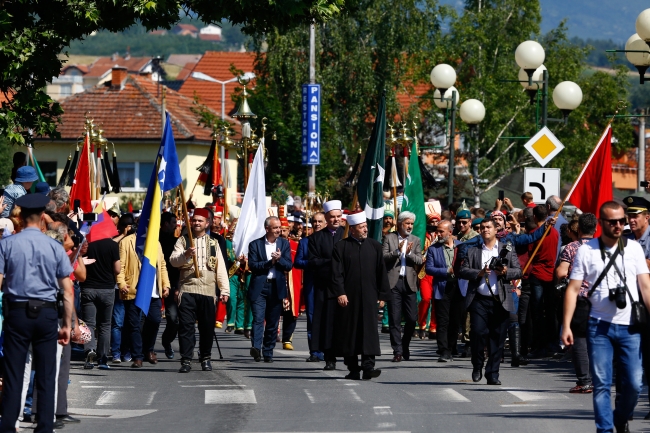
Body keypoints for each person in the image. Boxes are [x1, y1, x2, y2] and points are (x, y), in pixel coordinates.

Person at [562, 201, 650, 433]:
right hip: (599, 327)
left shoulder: (634, 249)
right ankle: (605, 429)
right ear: (601, 223)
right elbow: (572, 289)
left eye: (622, 221)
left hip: (630, 327)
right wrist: (566, 325)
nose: (620, 225)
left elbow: (646, 287)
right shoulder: (586, 250)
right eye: (613, 222)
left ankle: (620, 418)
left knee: (634, 384)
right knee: (601, 384)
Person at [0, 194, 74, 433]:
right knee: (45, 374)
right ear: (43, 217)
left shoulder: (7, 244)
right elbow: (68, 290)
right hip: (46, 314)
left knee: (14, 373)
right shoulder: (54, 246)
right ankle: (44, 427)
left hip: (17, 313)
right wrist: (66, 324)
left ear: (20, 217)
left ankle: (8, 426)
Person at [459, 219, 522, 385]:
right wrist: (479, 273)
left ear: (496, 230)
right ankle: (477, 365)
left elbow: (518, 271)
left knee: (498, 337)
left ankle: (492, 373)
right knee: (478, 333)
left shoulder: (506, 250)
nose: (485, 230)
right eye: (482, 228)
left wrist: (505, 271)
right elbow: (463, 270)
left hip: (500, 300)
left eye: (488, 227)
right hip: (479, 299)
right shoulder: (473, 251)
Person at [330, 212, 390, 380]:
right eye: (362, 227)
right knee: (350, 333)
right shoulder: (341, 247)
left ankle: (368, 367)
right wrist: (340, 292)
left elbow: (381, 273)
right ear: (353, 229)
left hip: (370, 297)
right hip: (349, 298)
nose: (365, 229)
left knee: (369, 332)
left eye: (366, 226)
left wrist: (383, 296)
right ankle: (353, 368)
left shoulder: (375, 246)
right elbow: (336, 274)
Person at [170, 208, 230, 373]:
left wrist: (224, 290)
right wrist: (186, 255)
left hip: (208, 291)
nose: (196, 223)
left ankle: (205, 357)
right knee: (186, 327)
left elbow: (221, 269)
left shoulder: (214, 243)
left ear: (207, 223)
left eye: (200, 221)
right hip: (188, 289)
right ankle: (186, 359)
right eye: (194, 220)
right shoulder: (183, 241)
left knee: (207, 328)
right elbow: (173, 262)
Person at [555, 212, 597, 394]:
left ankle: (584, 381)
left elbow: (560, 272)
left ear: (578, 229)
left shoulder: (572, 248)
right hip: (600, 299)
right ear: (595, 230)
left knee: (579, 339)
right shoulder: (603, 248)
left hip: (579, 297)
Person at [116, 231, 171, 368]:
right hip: (133, 289)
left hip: (153, 291)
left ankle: (149, 349)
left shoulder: (156, 242)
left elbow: (162, 265)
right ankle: (137, 356)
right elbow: (120, 265)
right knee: (134, 324)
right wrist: (121, 283)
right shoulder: (127, 241)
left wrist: (166, 284)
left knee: (155, 320)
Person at [247, 216, 293, 362]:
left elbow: (288, 265)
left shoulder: (284, 244)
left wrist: (279, 260)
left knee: (273, 322)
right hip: (260, 286)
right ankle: (256, 347)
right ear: (267, 229)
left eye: (279, 227)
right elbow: (253, 266)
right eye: (275, 228)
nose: (278, 230)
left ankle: (268, 351)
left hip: (276, 286)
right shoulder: (255, 244)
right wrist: (270, 262)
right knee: (258, 319)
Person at [308, 200, 345, 370]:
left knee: (344, 324)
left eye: (338, 217)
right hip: (326, 286)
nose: (336, 220)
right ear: (326, 218)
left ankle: (348, 355)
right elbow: (313, 261)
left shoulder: (347, 235)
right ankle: (330, 357)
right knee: (328, 324)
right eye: (332, 217)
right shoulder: (316, 237)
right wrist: (333, 263)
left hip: (345, 286)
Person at [623, 195, 650, 418]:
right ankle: (625, 407)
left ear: (647, 218)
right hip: (627, 306)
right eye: (629, 215)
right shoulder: (624, 239)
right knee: (626, 358)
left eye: (635, 215)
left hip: (648, 305)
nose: (631, 219)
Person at [80, 217, 120, 369]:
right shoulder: (113, 245)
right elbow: (117, 269)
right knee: (105, 325)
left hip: (88, 287)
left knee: (89, 323)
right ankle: (102, 358)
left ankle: (89, 352)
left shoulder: (87, 244)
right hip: (107, 289)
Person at [382, 211, 422, 362]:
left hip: (409, 283)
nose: (410, 226)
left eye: (411, 224)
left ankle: (405, 344)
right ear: (399, 224)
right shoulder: (389, 238)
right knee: (395, 318)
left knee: (412, 319)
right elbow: (383, 258)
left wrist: (409, 253)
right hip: (394, 282)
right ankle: (397, 350)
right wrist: (398, 251)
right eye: (407, 223)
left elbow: (419, 260)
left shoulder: (415, 240)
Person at [426, 220, 462, 362]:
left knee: (455, 320)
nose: (438, 234)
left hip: (458, 288)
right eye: (437, 231)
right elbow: (429, 268)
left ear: (450, 232)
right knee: (443, 320)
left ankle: (452, 347)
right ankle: (443, 350)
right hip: (442, 287)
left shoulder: (460, 247)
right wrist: (446, 270)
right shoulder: (433, 249)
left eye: (441, 231)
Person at [527, 204, 560, 358]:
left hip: (538, 274)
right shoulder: (555, 233)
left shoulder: (534, 234)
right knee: (550, 311)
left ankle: (540, 345)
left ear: (534, 217)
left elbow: (530, 253)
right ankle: (552, 343)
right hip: (550, 275)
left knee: (538, 312)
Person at [295, 211, 326, 361]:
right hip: (312, 285)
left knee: (328, 317)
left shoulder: (332, 241)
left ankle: (328, 350)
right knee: (313, 317)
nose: (317, 224)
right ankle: (315, 351)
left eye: (320, 221)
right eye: (315, 221)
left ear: (325, 223)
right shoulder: (304, 242)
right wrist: (312, 263)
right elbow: (298, 262)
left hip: (328, 285)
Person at [110, 213, 135, 364]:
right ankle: (116, 353)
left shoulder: (135, 241)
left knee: (129, 323)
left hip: (132, 288)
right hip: (117, 287)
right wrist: (121, 283)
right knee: (118, 322)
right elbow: (110, 245)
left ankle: (127, 352)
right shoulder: (116, 240)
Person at [160, 212, 180, 359]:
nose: (176, 226)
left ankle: (167, 341)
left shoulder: (177, 242)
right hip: (155, 283)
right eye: (174, 223)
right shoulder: (155, 240)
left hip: (173, 284)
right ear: (166, 223)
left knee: (174, 318)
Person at [418, 212, 440, 339]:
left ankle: (433, 327)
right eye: (432, 222)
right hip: (425, 272)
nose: (435, 224)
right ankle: (422, 325)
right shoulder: (422, 236)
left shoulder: (441, 236)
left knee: (436, 300)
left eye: (437, 221)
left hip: (437, 271)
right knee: (425, 299)